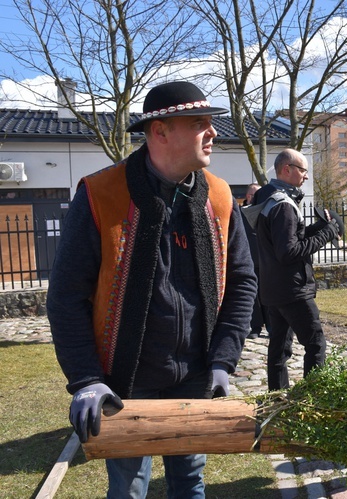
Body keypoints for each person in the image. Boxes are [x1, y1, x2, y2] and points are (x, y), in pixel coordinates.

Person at [46, 81, 257, 498]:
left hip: (195, 373)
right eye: (199, 123)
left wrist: (223, 360)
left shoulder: (218, 196)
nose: (213, 132)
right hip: (126, 381)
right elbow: (66, 296)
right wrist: (87, 379)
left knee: (190, 483)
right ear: (159, 131)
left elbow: (243, 282)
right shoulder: (100, 194)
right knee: (128, 490)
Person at [245, 148, 340, 390]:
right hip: (292, 290)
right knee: (315, 344)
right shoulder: (284, 205)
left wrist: (318, 228)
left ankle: (276, 398)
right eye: (303, 170)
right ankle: (313, 399)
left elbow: (286, 240)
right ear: (286, 169)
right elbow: (288, 253)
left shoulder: (267, 197)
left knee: (278, 349)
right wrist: (328, 233)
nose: (306, 176)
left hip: (272, 289)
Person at [242, 183, 270, 340]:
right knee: (254, 298)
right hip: (249, 262)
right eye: (256, 195)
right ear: (248, 197)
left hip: (266, 262)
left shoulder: (266, 211)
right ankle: (256, 326)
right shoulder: (240, 214)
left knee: (269, 296)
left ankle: (271, 326)